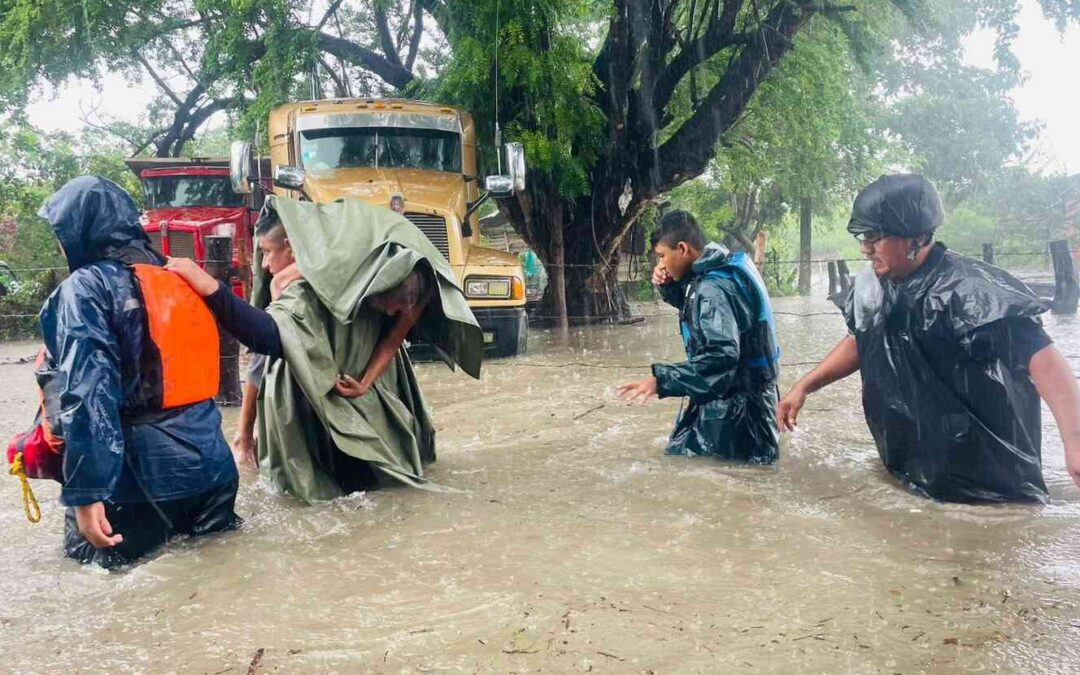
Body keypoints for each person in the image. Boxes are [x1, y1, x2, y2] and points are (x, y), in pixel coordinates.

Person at [777, 174, 1080, 503]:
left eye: (876, 237)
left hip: (985, 491)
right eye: (863, 237)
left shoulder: (972, 290)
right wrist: (805, 385)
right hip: (905, 471)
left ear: (917, 238)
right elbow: (861, 339)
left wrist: (1074, 440)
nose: (865, 248)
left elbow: (1045, 362)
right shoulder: (870, 287)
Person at [165, 195, 483, 502]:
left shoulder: (417, 285)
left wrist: (367, 381)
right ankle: (244, 438)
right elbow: (267, 338)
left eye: (267, 253)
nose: (263, 264)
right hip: (309, 323)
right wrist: (245, 433)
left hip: (355, 349)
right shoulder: (314, 275)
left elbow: (393, 338)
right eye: (386, 307)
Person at [23, 176, 239, 568]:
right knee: (213, 577)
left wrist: (86, 493)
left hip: (138, 485)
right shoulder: (182, 276)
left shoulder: (85, 288)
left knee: (105, 588)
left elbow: (88, 393)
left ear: (76, 231)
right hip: (213, 472)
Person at [617, 210, 781, 464]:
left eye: (662, 256)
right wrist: (669, 285)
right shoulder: (720, 268)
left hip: (737, 414)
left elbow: (722, 357)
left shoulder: (712, 288)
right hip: (752, 403)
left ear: (682, 248)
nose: (660, 264)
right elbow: (699, 308)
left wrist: (660, 380)